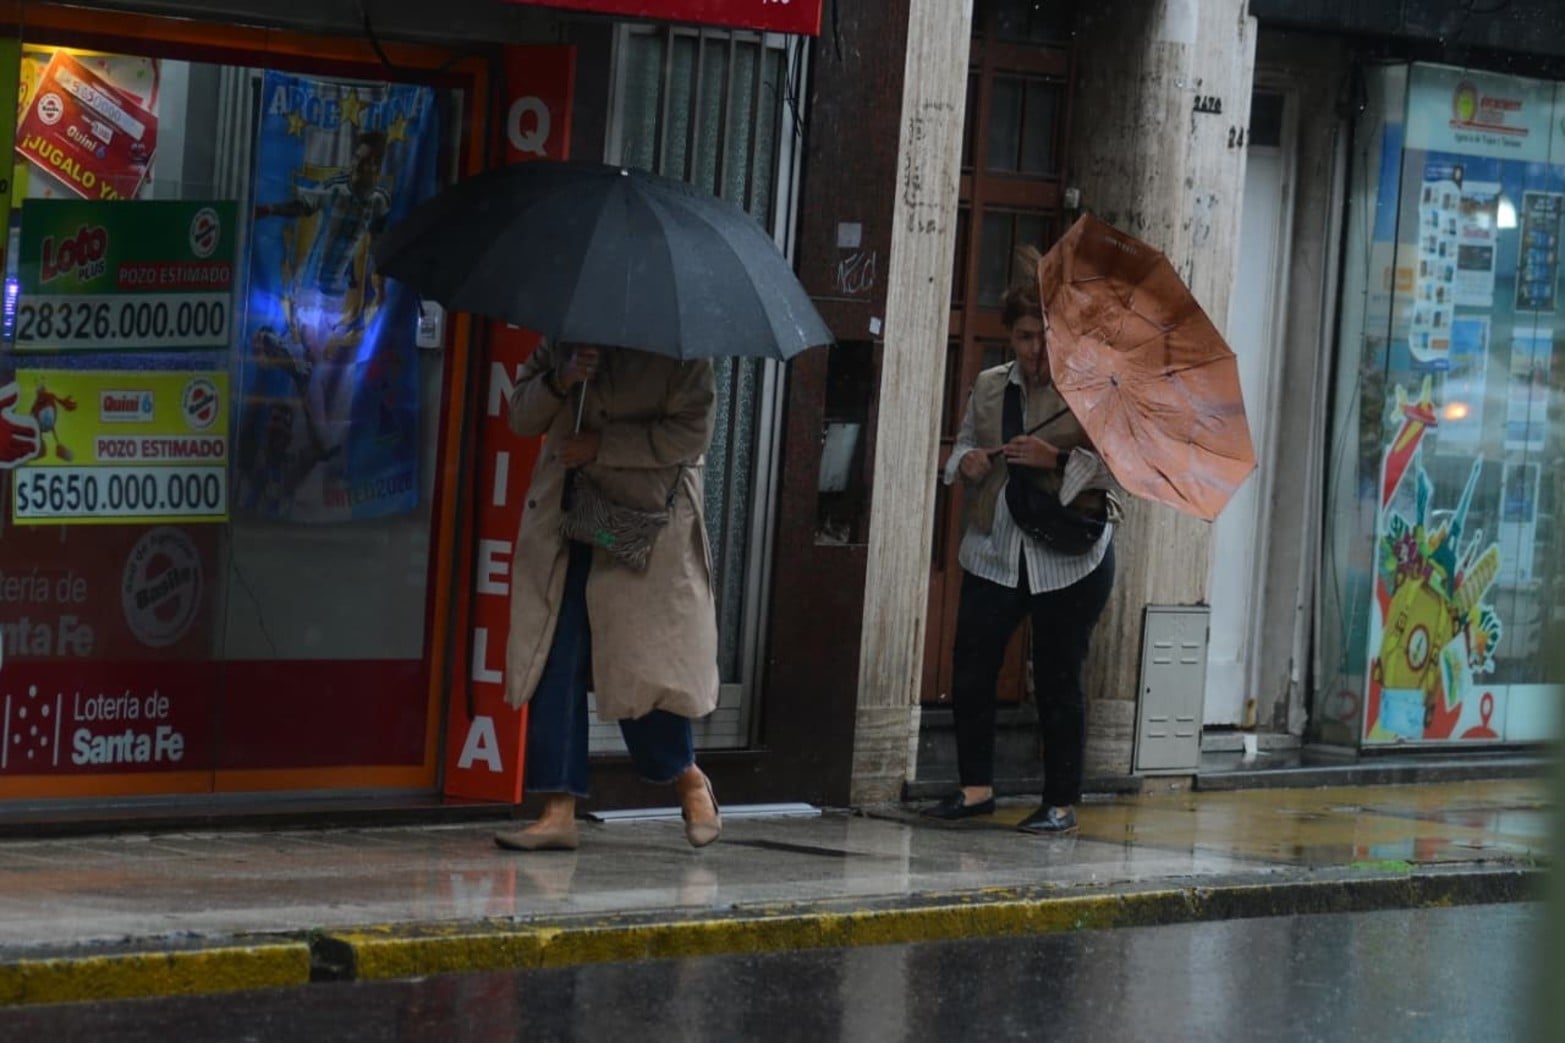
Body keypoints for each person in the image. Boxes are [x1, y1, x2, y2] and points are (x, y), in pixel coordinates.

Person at [494, 340, 723, 852]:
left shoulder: (681, 351)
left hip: (642, 530)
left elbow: (692, 432)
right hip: (565, 523)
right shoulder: (566, 337)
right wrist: (562, 378)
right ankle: (558, 810)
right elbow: (521, 418)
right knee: (555, 659)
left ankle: (686, 778)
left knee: (641, 666)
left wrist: (603, 446)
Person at [922, 246, 1120, 835]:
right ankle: (975, 789)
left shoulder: (1089, 392)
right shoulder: (989, 386)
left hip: (1070, 556)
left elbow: (1116, 472)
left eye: (1045, 337)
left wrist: (1053, 457)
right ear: (1010, 336)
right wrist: (966, 465)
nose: (1036, 349)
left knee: (1059, 677)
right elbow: (961, 447)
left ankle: (1060, 802)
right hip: (996, 549)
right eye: (1026, 336)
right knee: (972, 668)